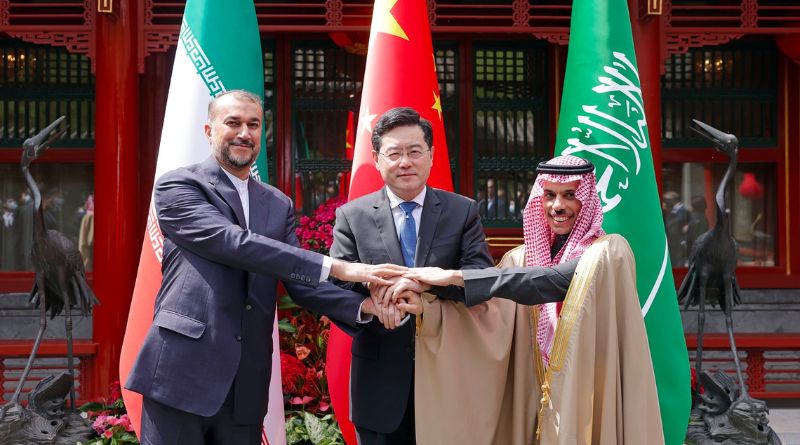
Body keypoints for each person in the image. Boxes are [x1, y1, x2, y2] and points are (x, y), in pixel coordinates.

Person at [125, 90, 405, 445]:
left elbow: (300, 282)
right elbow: (233, 243)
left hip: (246, 381)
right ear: (209, 131)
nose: (244, 133)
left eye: (253, 125)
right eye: (233, 123)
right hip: (181, 371)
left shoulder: (276, 203)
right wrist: (339, 267)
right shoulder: (178, 185)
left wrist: (366, 306)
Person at [403, 155, 664, 444]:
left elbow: (547, 282)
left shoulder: (609, 253)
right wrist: (429, 309)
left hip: (589, 394)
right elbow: (488, 316)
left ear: (587, 199)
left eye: (569, 195)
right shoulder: (521, 258)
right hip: (532, 398)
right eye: (549, 195)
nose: (558, 206)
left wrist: (454, 276)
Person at [328, 107, 494, 444]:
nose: (405, 162)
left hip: (446, 372)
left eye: (415, 151)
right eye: (394, 154)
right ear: (377, 160)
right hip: (379, 382)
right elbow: (336, 283)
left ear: (431, 156)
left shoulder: (461, 211)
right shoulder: (352, 216)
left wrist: (425, 283)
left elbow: (480, 277)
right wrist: (373, 291)